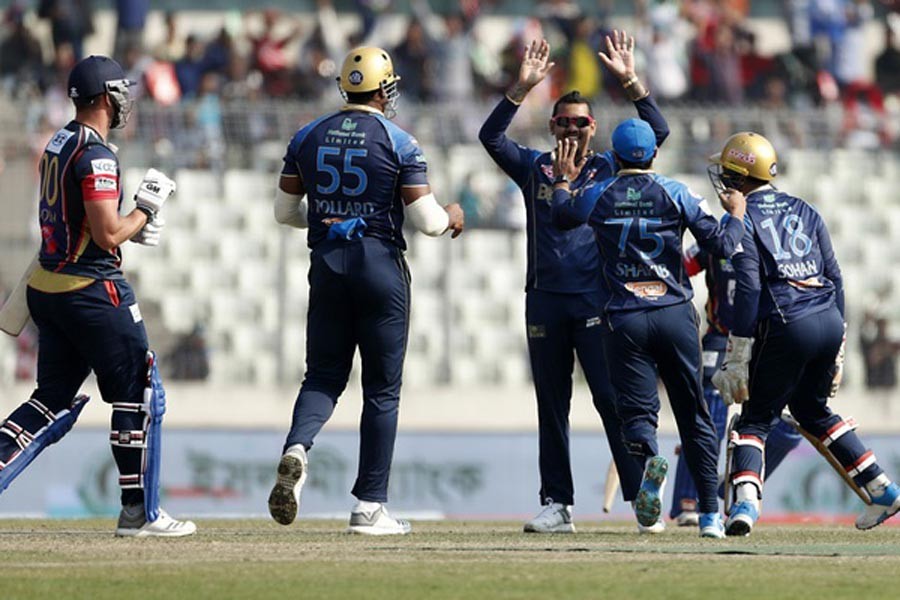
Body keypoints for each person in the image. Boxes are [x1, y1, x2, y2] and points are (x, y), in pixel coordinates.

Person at [267, 46, 464, 535]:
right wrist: (454, 217)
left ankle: (297, 446)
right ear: (383, 89)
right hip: (379, 267)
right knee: (381, 391)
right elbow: (426, 220)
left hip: (328, 266)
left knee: (322, 377)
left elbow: (285, 213)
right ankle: (369, 505)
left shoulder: (308, 134)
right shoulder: (399, 140)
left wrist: (332, 221)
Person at [479, 33, 667, 534]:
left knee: (611, 401)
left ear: (593, 127)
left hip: (594, 302)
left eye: (580, 122)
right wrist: (519, 88)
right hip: (544, 300)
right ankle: (557, 503)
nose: (571, 129)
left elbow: (658, 132)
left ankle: (640, 501)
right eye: (562, 122)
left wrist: (630, 80)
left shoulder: (609, 167)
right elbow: (491, 138)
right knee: (552, 404)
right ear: (552, 125)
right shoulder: (534, 167)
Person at [0, 55, 194, 537]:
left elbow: (82, 220)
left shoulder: (60, 141)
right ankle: (139, 513)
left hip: (49, 285)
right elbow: (108, 234)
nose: (126, 101)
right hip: (91, 289)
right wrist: (144, 211)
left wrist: (130, 224)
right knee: (140, 392)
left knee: (51, 401)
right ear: (107, 97)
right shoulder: (98, 154)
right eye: (122, 93)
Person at [551, 118, 747, 538]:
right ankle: (711, 516)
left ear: (615, 155)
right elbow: (723, 246)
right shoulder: (677, 192)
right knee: (693, 413)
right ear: (654, 154)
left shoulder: (599, 192)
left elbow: (563, 216)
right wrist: (735, 215)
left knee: (638, 417)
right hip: (674, 313)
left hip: (624, 317)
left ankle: (650, 480)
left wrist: (565, 181)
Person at [709, 131, 900, 535]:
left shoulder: (743, 218)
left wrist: (739, 350)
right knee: (813, 413)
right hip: (827, 320)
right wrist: (841, 342)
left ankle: (744, 506)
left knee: (754, 421)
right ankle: (882, 490)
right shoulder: (804, 208)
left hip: (785, 322)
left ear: (741, 177)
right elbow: (835, 276)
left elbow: (748, 286)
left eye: (728, 174)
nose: (723, 182)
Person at [668, 243, 802, 526]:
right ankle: (686, 500)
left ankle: (733, 483)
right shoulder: (715, 238)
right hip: (721, 340)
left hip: (764, 341)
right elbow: (677, 269)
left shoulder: (770, 239)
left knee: (788, 428)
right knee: (709, 417)